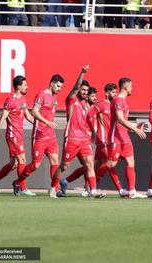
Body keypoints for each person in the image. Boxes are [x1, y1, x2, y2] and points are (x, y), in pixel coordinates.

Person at [60, 84, 127, 197]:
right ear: (107, 93)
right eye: (113, 92)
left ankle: (67, 181)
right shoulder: (100, 105)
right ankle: (120, 190)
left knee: (90, 166)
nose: (115, 94)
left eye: (116, 92)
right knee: (110, 164)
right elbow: (89, 117)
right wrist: (93, 132)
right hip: (102, 140)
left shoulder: (113, 105)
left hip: (109, 140)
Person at [49, 65, 98, 198]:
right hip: (71, 138)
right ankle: (53, 187)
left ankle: (93, 190)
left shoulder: (87, 106)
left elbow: (89, 122)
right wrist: (82, 73)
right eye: (82, 90)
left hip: (84, 140)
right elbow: (75, 88)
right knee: (64, 166)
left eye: (86, 90)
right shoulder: (71, 100)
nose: (84, 92)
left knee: (89, 163)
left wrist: (93, 133)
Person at [94, 77, 147, 199]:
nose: (132, 89)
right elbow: (120, 119)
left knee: (131, 161)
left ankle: (132, 191)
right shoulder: (117, 100)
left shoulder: (124, 101)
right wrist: (135, 129)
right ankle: (90, 185)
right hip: (116, 137)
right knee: (111, 164)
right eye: (131, 86)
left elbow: (124, 121)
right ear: (126, 87)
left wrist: (134, 125)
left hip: (125, 136)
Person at [12, 74, 64, 196]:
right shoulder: (41, 95)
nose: (59, 89)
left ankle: (54, 189)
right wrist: (46, 122)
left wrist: (49, 124)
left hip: (50, 136)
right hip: (39, 135)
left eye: (61, 87)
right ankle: (17, 182)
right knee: (35, 165)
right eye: (58, 86)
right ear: (52, 83)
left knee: (55, 160)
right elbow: (34, 111)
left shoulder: (54, 97)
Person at [0, 76, 34, 194]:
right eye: (25, 85)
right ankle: (22, 188)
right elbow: (2, 118)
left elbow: (28, 116)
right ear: (18, 87)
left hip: (19, 135)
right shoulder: (10, 101)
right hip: (13, 135)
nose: (27, 87)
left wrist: (40, 124)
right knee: (22, 159)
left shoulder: (23, 100)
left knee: (14, 164)